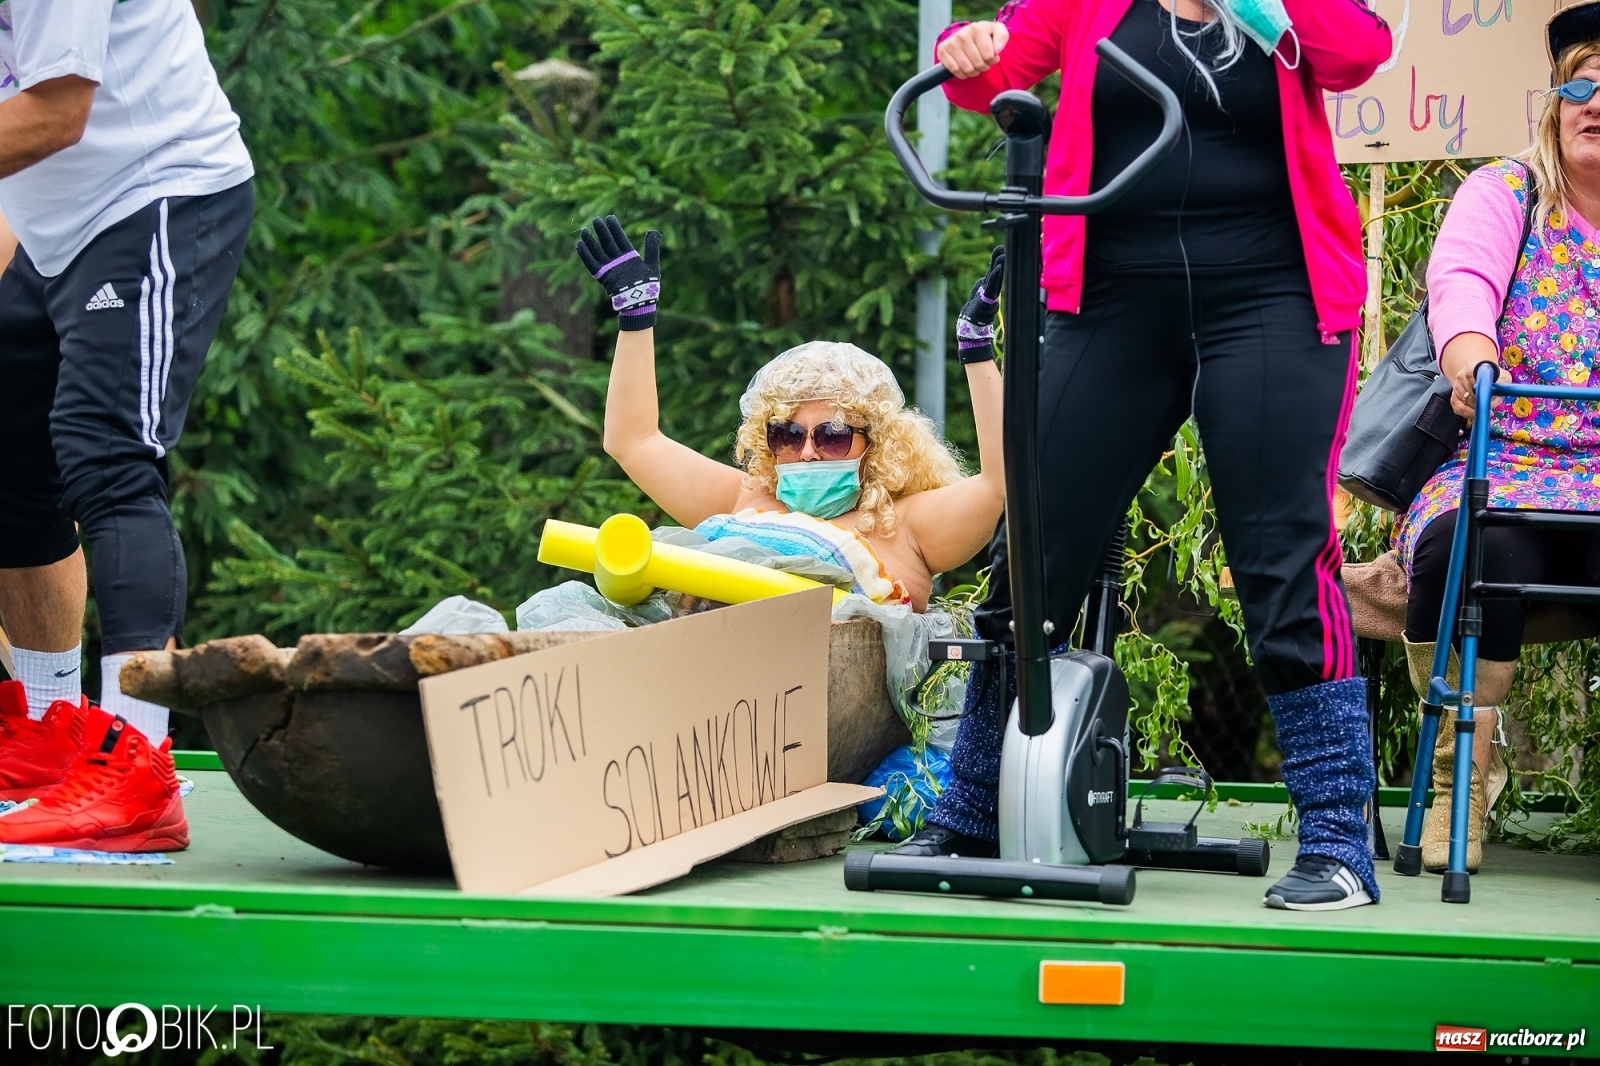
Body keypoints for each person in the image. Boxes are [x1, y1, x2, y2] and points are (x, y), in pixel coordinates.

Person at [900, 0, 1393, 911]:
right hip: (1110, 296)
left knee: (1281, 553)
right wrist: (968, 51)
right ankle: (972, 806)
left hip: (1273, 292)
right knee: (1038, 540)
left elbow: (1357, 51)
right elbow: (987, 74)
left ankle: (1335, 842)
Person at [0, 1, 254, 851]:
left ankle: (139, 769)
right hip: (54, 227)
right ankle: (48, 733)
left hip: (158, 196)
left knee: (104, 453)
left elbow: (53, 115)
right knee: (8, 450)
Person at [1395, 1, 1600, 874]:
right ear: (1553, 104)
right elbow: (1464, 281)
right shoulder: (1505, 191)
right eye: (1581, 86)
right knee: (1462, 543)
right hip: (1507, 454)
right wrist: (1471, 354)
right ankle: (1459, 786)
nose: (1596, 103)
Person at [577, 216, 1006, 610]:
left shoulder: (908, 525)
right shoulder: (747, 499)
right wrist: (636, 318)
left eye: (831, 435)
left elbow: (1001, 483)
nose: (807, 453)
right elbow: (632, 441)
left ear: (876, 444)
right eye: (786, 435)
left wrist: (976, 349)